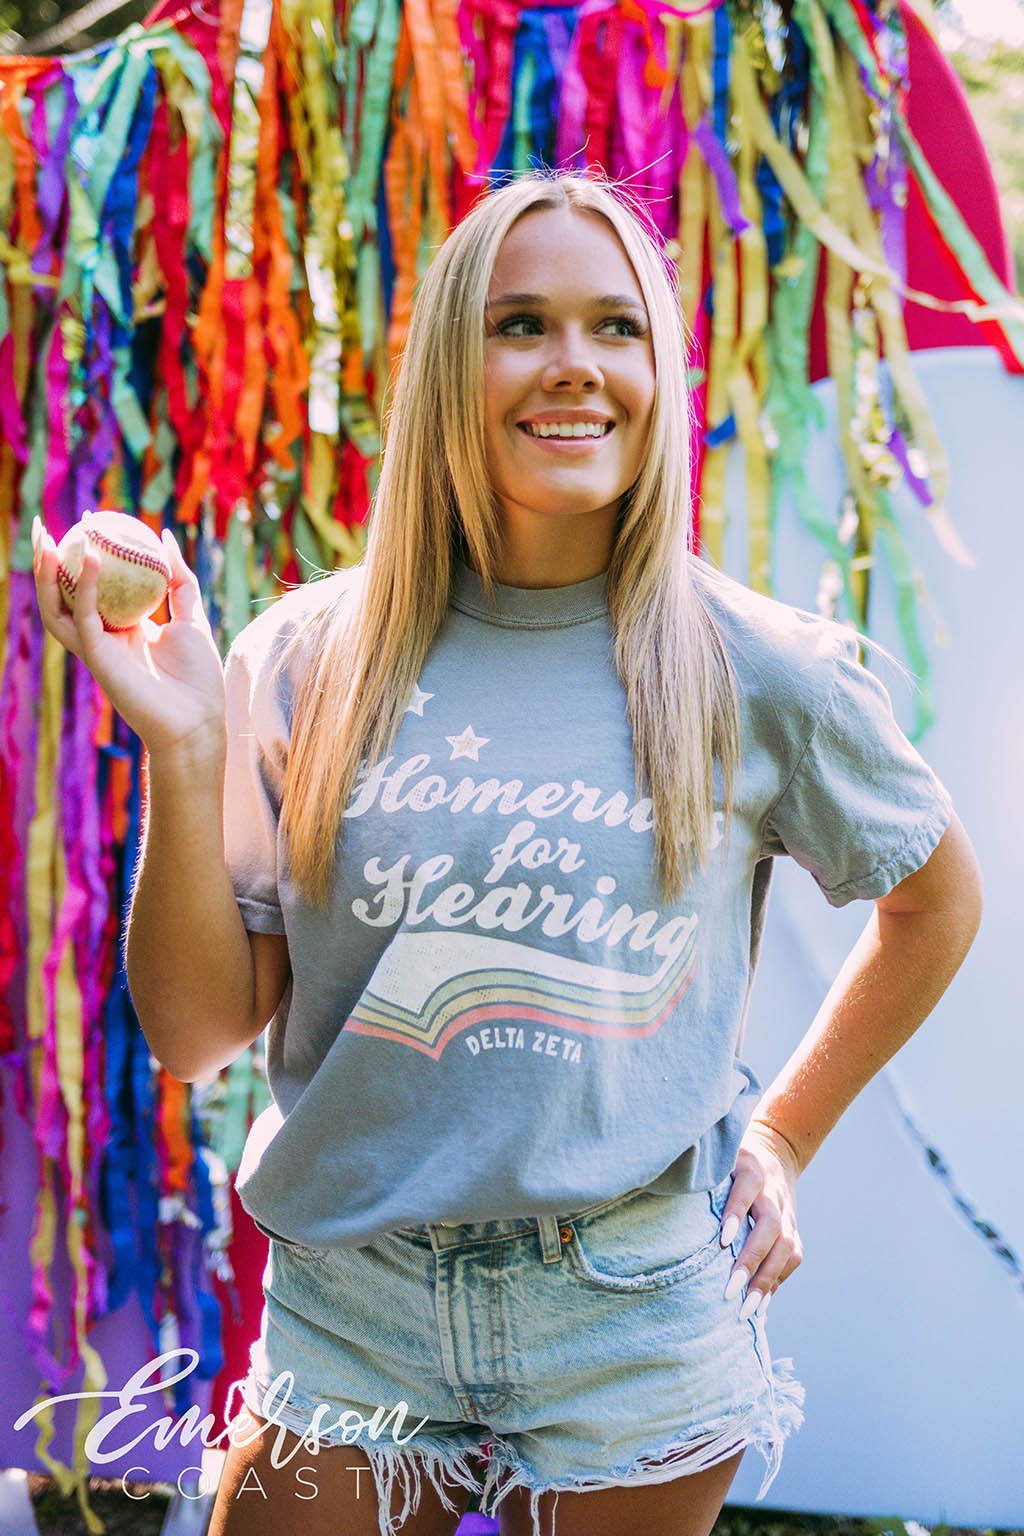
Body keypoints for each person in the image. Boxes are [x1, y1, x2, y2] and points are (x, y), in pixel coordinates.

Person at [32, 169, 983, 1536]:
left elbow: (936, 904)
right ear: (447, 368)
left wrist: (781, 1137)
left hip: (631, 1306)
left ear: (659, 370)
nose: (574, 364)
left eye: (617, 326)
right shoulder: (307, 659)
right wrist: (181, 749)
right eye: (521, 323)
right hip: (352, 1299)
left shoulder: (762, 670)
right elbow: (194, 1036)